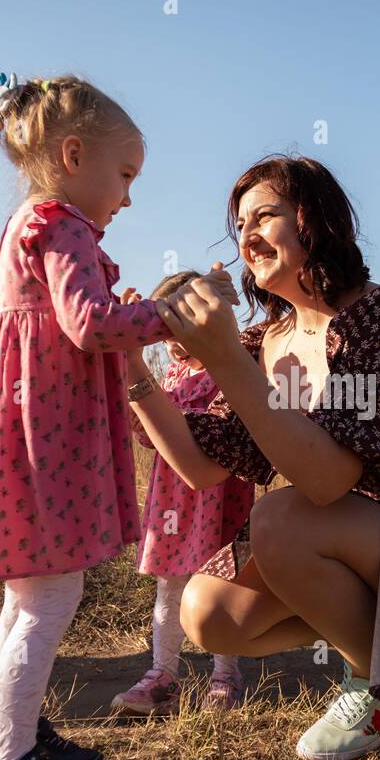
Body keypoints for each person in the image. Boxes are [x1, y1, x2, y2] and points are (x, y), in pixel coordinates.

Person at [127, 154, 380, 760]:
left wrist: (226, 359)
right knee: (208, 613)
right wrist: (132, 371)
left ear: (315, 219)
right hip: (340, 538)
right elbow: (198, 466)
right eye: (240, 225)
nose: (247, 237)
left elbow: (330, 478)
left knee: (280, 517)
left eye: (265, 216)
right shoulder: (264, 346)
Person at [0, 72, 236, 760]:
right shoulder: (60, 223)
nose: (128, 196)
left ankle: (16, 738)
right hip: (45, 445)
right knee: (52, 595)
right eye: (125, 175)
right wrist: (171, 314)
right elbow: (91, 324)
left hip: (24, 434)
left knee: (29, 597)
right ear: (73, 154)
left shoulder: (33, 225)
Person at [111, 272, 257, 715]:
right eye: (162, 332)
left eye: (180, 328)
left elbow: (224, 431)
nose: (172, 343)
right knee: (170, 586)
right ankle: (163, 675)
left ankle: (225, 674)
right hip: (172, 498)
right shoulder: (171, 373)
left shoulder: (229, 367)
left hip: (218, 496)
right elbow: (152, 436)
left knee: (221, 580)